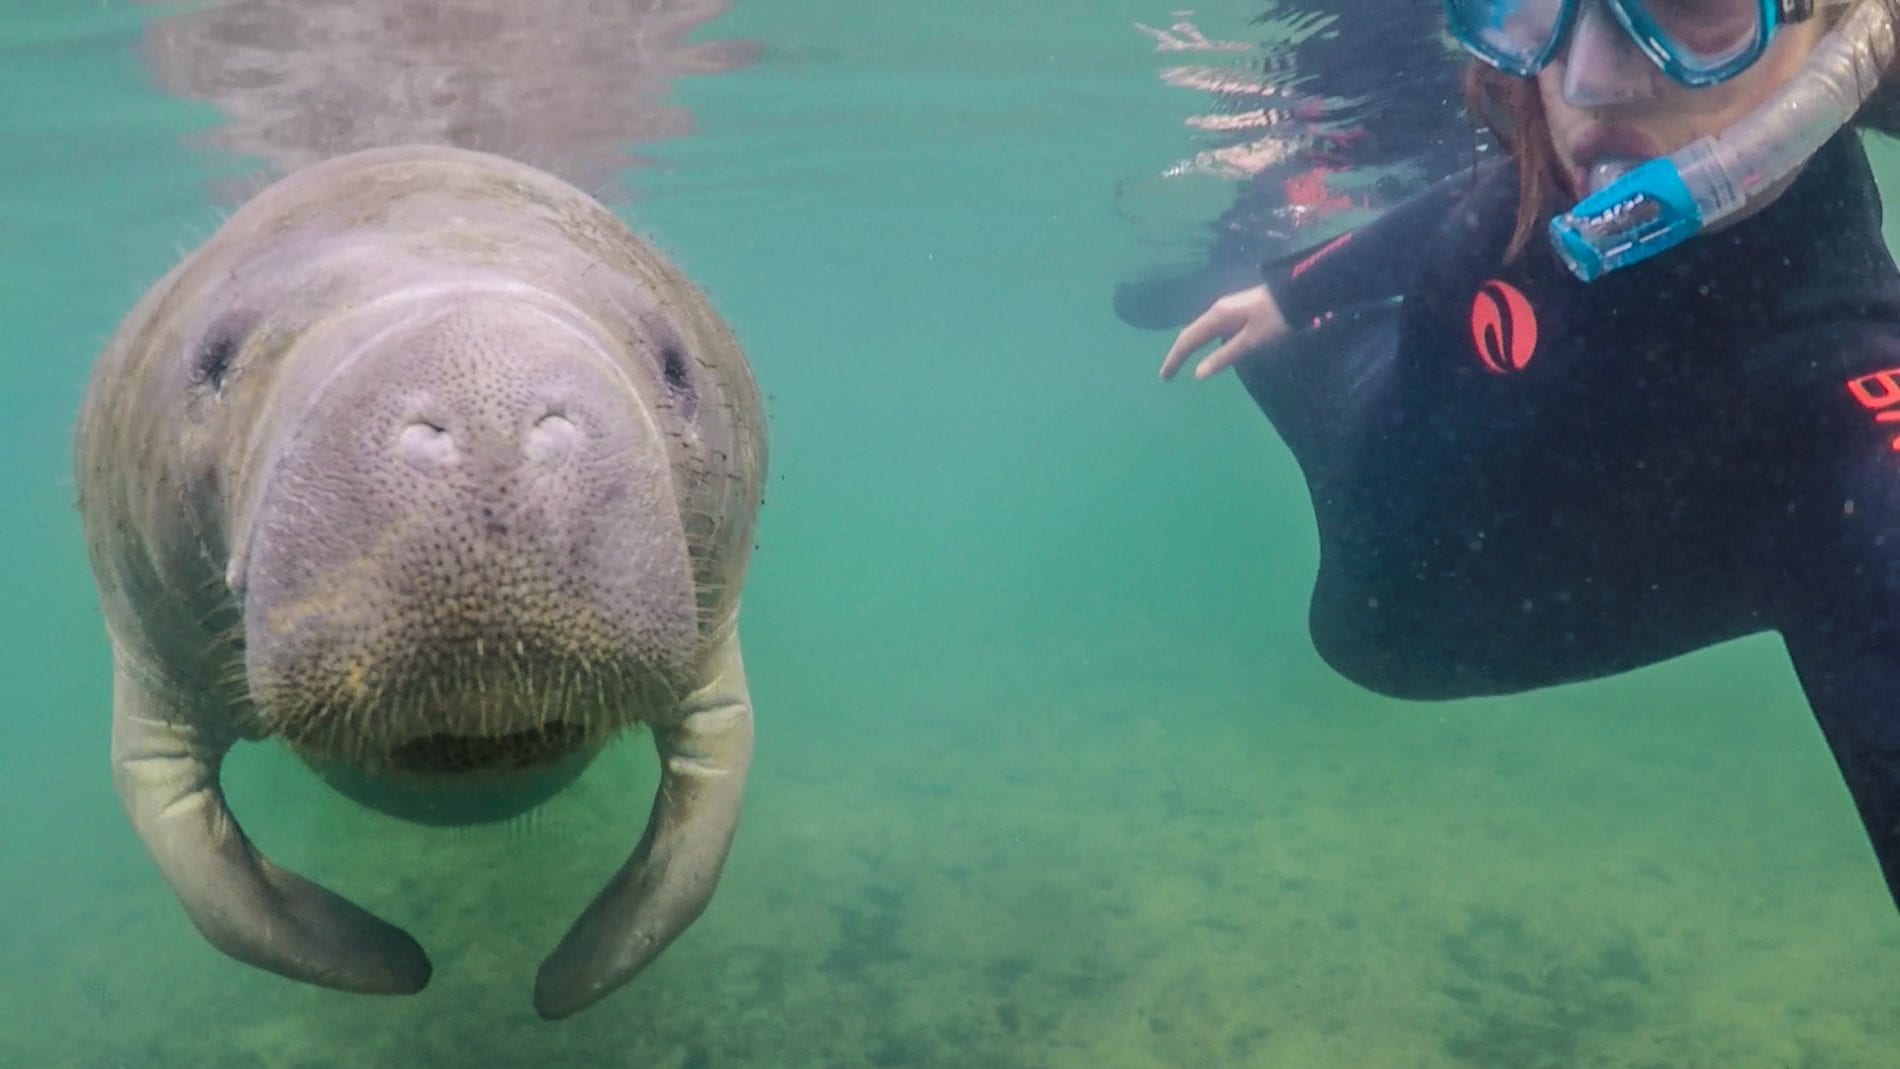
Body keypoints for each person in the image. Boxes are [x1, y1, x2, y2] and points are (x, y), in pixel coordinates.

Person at [1160, 0, 1900, 910]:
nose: (1588, 78)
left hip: (1416, 629)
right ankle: (1258, 232)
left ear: (1848, 40)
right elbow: (1487, 195)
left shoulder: (1840, 405)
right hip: (1368, 407)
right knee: (1217, 284)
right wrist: (1290, 286)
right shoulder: (1595, 145)